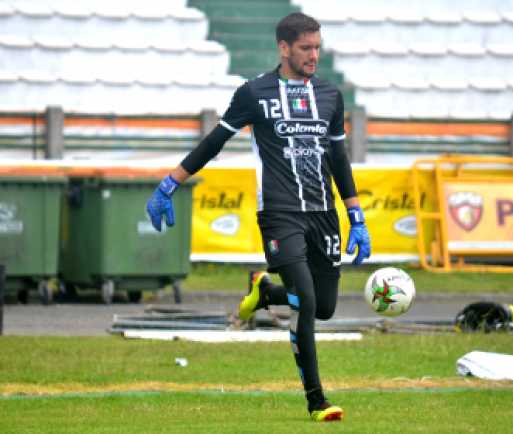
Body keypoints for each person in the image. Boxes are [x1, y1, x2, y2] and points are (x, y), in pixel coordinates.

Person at [146, 12, 371, 422]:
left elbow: (337, 156)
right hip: (280, 214)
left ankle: (266, 293)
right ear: (283, 48)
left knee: (324, 308)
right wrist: (170, 183)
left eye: (318, 47)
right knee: (305, 301)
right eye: (306, 48)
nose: (313, 55)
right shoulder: (253, 93)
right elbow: (215, 141)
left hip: (324, 214)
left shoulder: (330, 96)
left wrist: (355, 213)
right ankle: (317, 401)